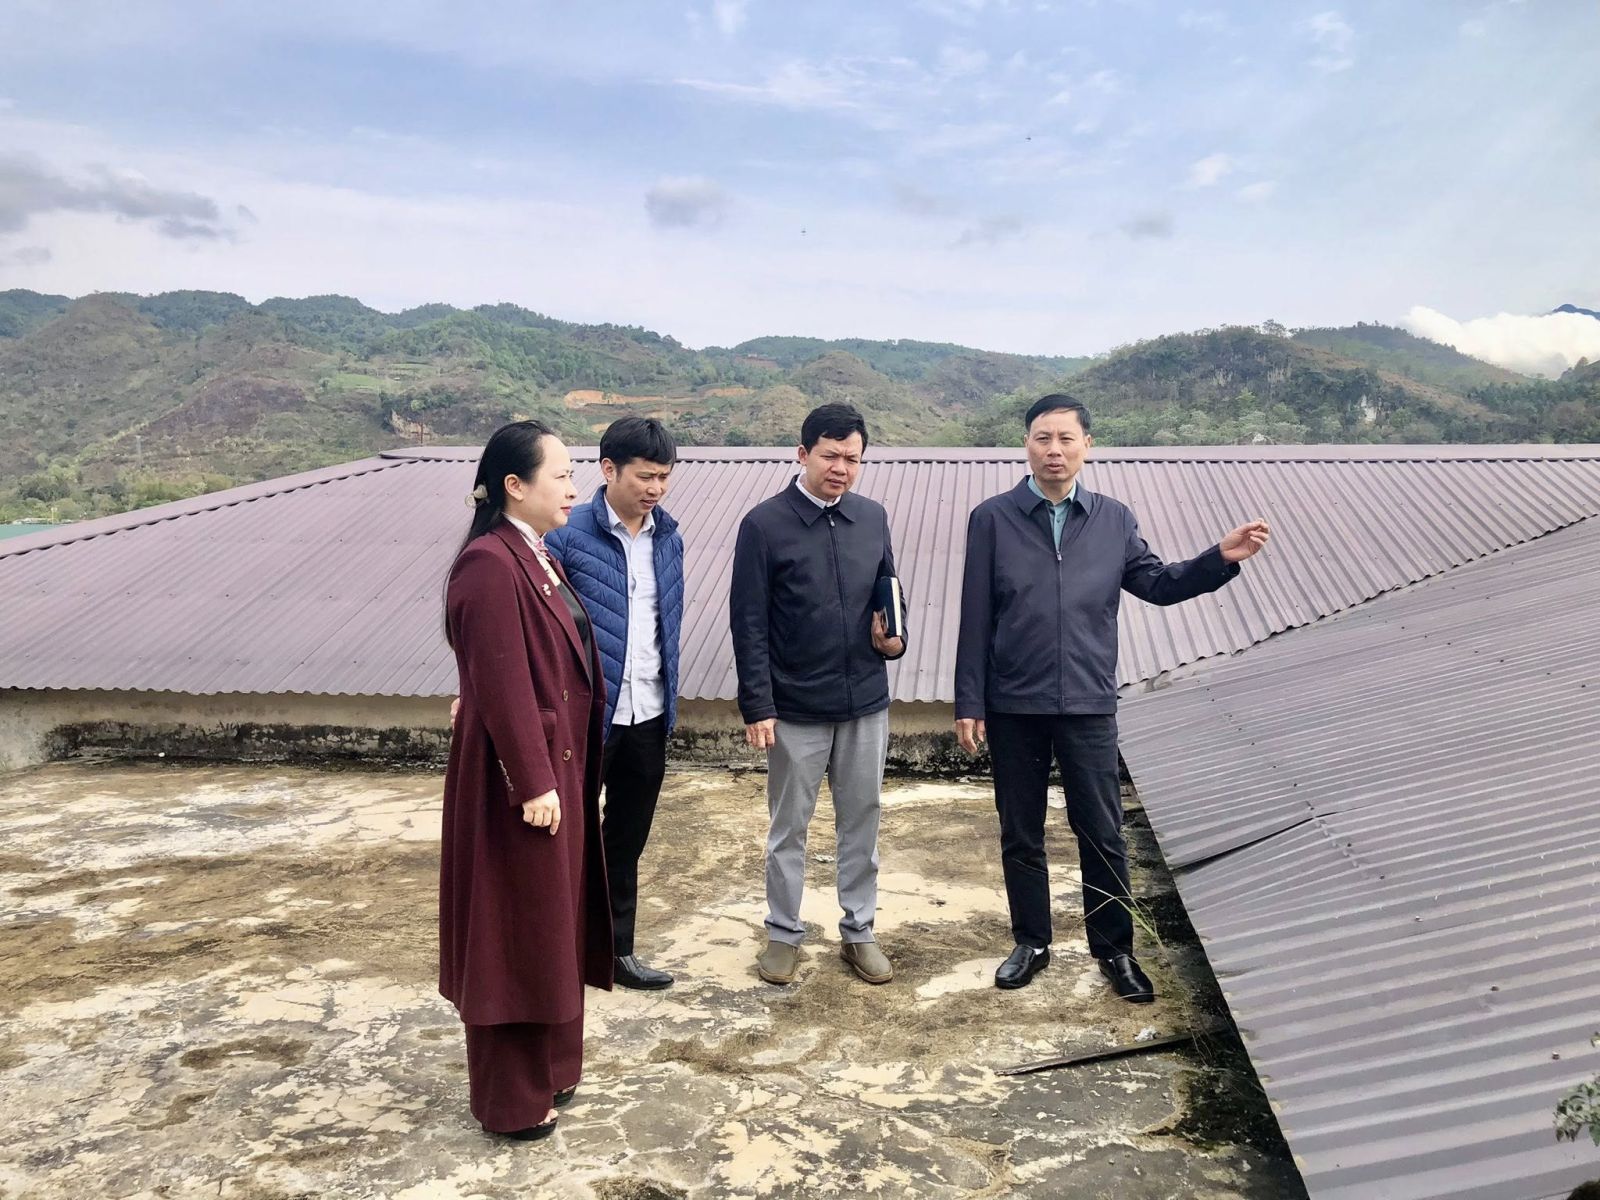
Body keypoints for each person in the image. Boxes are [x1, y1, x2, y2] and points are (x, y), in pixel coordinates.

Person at [954, 394, 1270, 1004]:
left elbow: (1157, 583)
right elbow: (975, 614)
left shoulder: (1113, 519)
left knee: (1102, 831)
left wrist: (1219, 559)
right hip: (1014, 702)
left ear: (1087, 446)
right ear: (1026, 445)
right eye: (1043, 438)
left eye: (1066, 439)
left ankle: (1115, 951)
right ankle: (1031, 943)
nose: (1054, 450)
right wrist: (970, 701)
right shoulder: (992, 518)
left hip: (1088, 702)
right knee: (1020, 831)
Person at [439, 420, 612, 1141]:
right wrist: (534, 782)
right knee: (513, 931)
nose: (573, 488)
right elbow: (503, 681)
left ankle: (554, 1068)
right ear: (514, 485)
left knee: (552, 923)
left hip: (555, 771)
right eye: (561, 475)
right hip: (520, 785)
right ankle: (511, 1100)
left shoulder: (533, 552)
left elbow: (498, 665)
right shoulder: (488, 562)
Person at [730, 403, 907, 987]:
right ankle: (784, 934)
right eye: (830, 456)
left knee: (863, 820)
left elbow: (889, 590)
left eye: (853, 458)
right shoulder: (764, 525)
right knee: (790, 827)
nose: (841, 469)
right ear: (803, 454)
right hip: (796, 707)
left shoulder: (872, 517)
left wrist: (895, 641)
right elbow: (748, 622)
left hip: (865, 703)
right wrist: (759, 704)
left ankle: (860, 931)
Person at [544, 417, 684, 991]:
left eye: (664, 477)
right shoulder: (565, 536)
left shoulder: (668, 537)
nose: (656, 488)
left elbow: (665, 625)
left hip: (647, 713)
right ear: (608, 470)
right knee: (565, 840)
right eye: (645, 476)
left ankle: (615, 951)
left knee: (626, 839)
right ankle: (556, 955)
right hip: (585, 720)